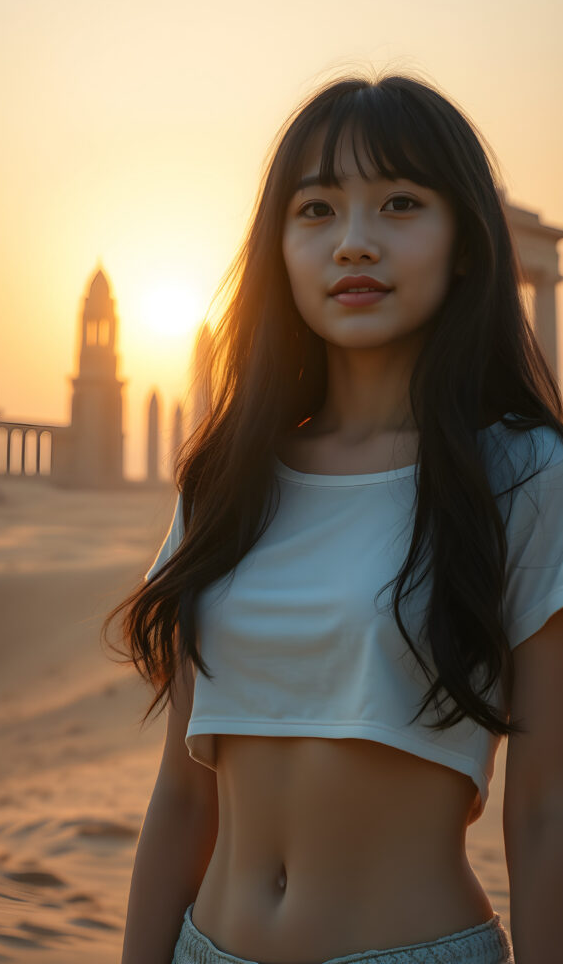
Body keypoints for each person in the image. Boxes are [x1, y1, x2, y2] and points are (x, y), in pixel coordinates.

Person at [103, 70, 563, 964]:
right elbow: (184, 796)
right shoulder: (227, 480)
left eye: (398, 203)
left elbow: (544, 815)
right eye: (316, 210)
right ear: (278, 246)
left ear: (465, 244)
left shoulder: (524, 472)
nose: (353, 243)